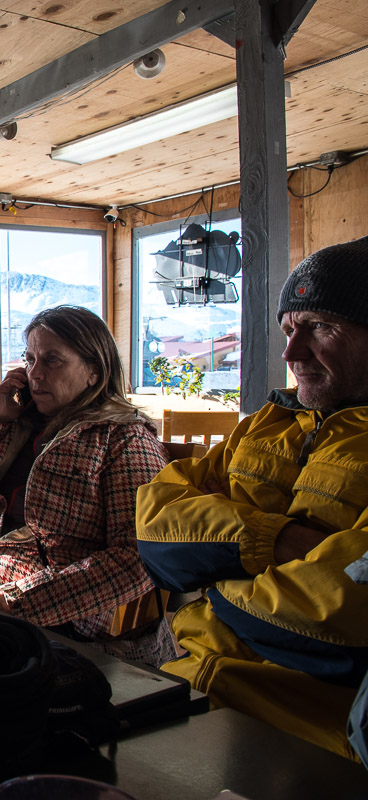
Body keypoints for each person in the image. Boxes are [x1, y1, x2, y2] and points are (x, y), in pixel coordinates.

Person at [137, 236, 368, 759]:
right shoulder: (269, 424)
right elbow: (154, 523)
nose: (291, 353)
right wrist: (278, 540)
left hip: (305, 735)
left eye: (321, 326)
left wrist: (211, 579)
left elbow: (341, 615)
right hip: (184, 685)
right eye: (289, 330)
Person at [0, 306, 174, 665]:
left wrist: (19, 603)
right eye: (29, 359)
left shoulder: (124, 440)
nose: (35, 374)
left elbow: (138, 559)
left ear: (94, 372)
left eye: (52, 360)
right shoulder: (20, 427)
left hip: (59, 630)